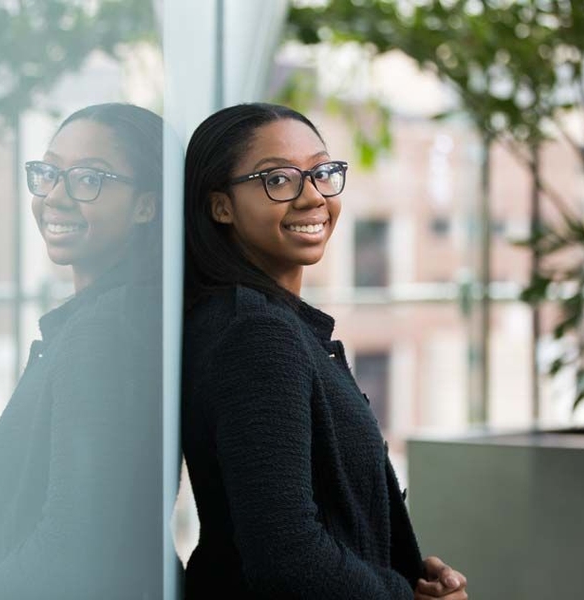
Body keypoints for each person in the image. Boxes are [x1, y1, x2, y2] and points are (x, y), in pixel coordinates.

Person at [181, 102, 469, 600]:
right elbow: (288, 557)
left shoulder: (262, 321)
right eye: (277, 180)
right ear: (219, 205)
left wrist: (403, 574)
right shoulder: (256, 335)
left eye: (322, 172)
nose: (312, 196)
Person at [0, 103, 164, 599]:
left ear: (146, 206)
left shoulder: (104, 335)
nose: (56, 197)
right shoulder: (110, 319)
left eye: (89, 179)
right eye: (49, 173)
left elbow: (71, 549)